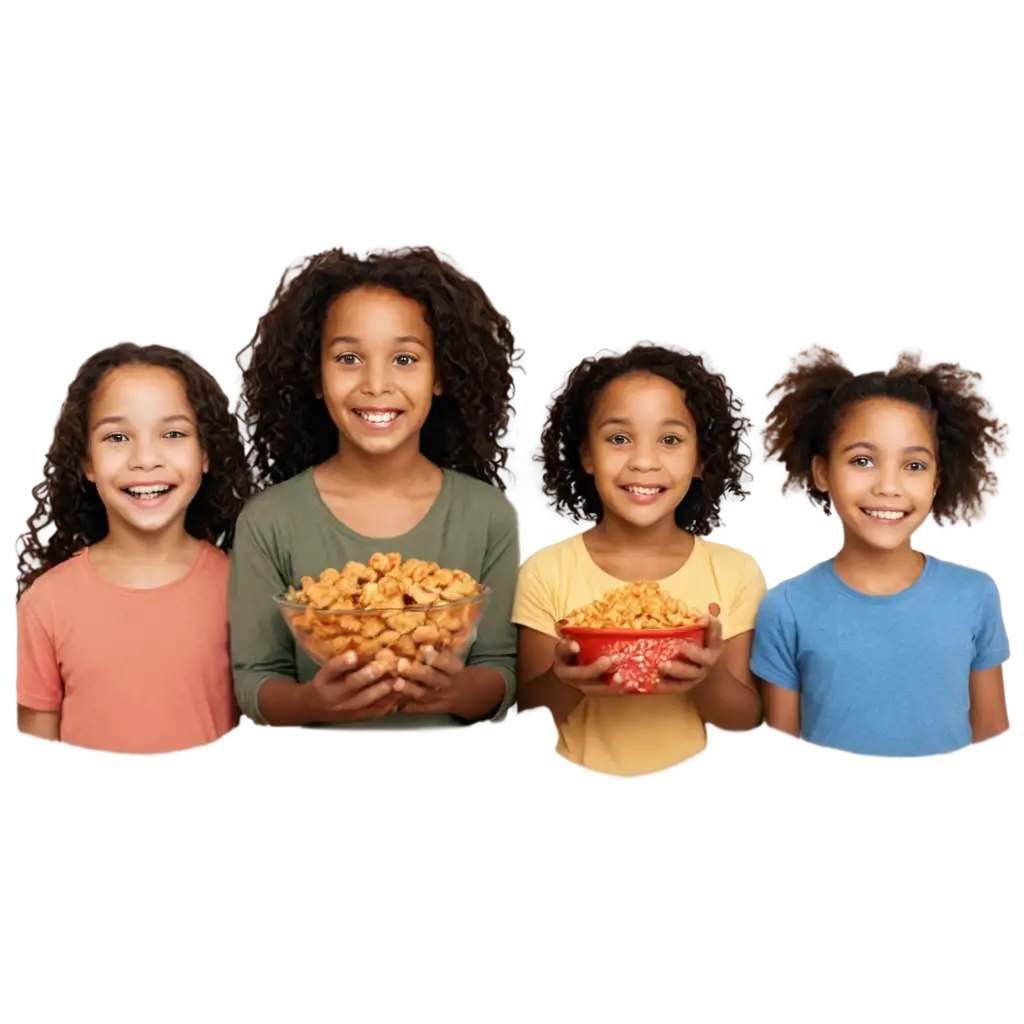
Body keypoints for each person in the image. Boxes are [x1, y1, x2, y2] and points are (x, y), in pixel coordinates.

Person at [230, 245, 520, 733]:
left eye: (405, 358)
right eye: (348, 358)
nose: (376, 383)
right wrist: (312, 704)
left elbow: (501, 670)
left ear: (441, 377)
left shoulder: (488, 517)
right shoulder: (269, 522)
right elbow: (255, 679)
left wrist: (458, 691)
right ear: (316, 378)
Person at [512, 346, 767, 778]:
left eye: (670, 440)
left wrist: (708, 677)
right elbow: (529, 712)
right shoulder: (547, 569)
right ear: (586, 456)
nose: (644, 462)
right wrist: (567, 680)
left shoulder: (734, 572)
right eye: (618, 439)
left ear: (701, 460)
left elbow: (743, 719)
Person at [752, 341, 1009, 759]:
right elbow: (783, 750)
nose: (888, 487)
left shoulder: (974, 596)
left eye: (913, 466)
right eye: (862, 461)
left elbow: (993, 734)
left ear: (937, 481)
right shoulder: (786, 607)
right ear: (822, 473)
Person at [13, 342, 250, 754]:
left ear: (205, 454)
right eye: (118, 437)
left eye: (173, 434)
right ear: (87, 463)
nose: (145, 459)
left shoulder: (242, 591)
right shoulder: (47, 603)